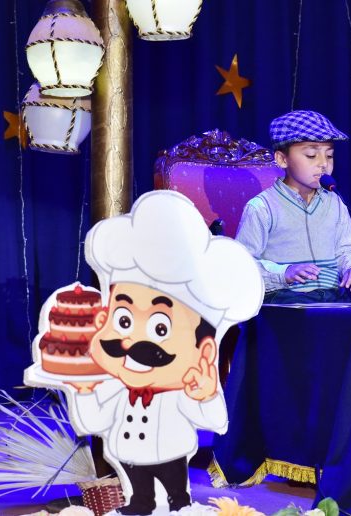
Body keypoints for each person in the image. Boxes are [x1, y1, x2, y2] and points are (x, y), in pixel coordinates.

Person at [61, 191, 263, 515]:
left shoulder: (180, 387)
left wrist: (205, 392)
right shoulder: (115, 386)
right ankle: (140, 501)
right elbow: (91, 420)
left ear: (203, 349)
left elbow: (213, 420)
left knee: (176, 493)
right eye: (123, 320)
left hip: (172, 451)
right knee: (139, 491)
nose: (133, 341)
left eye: (159, 327)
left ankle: (179, 503)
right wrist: (82, 389)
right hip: (127, 451)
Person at [236, 110, 351, 304]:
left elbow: (346, 251)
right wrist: (284, 272)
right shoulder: (262, 207)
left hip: (332, 298)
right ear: (282, 159)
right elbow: (242, 265)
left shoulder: (335, 202)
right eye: (311, 155)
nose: (323, 164)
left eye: (329, 156)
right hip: (286, 298)